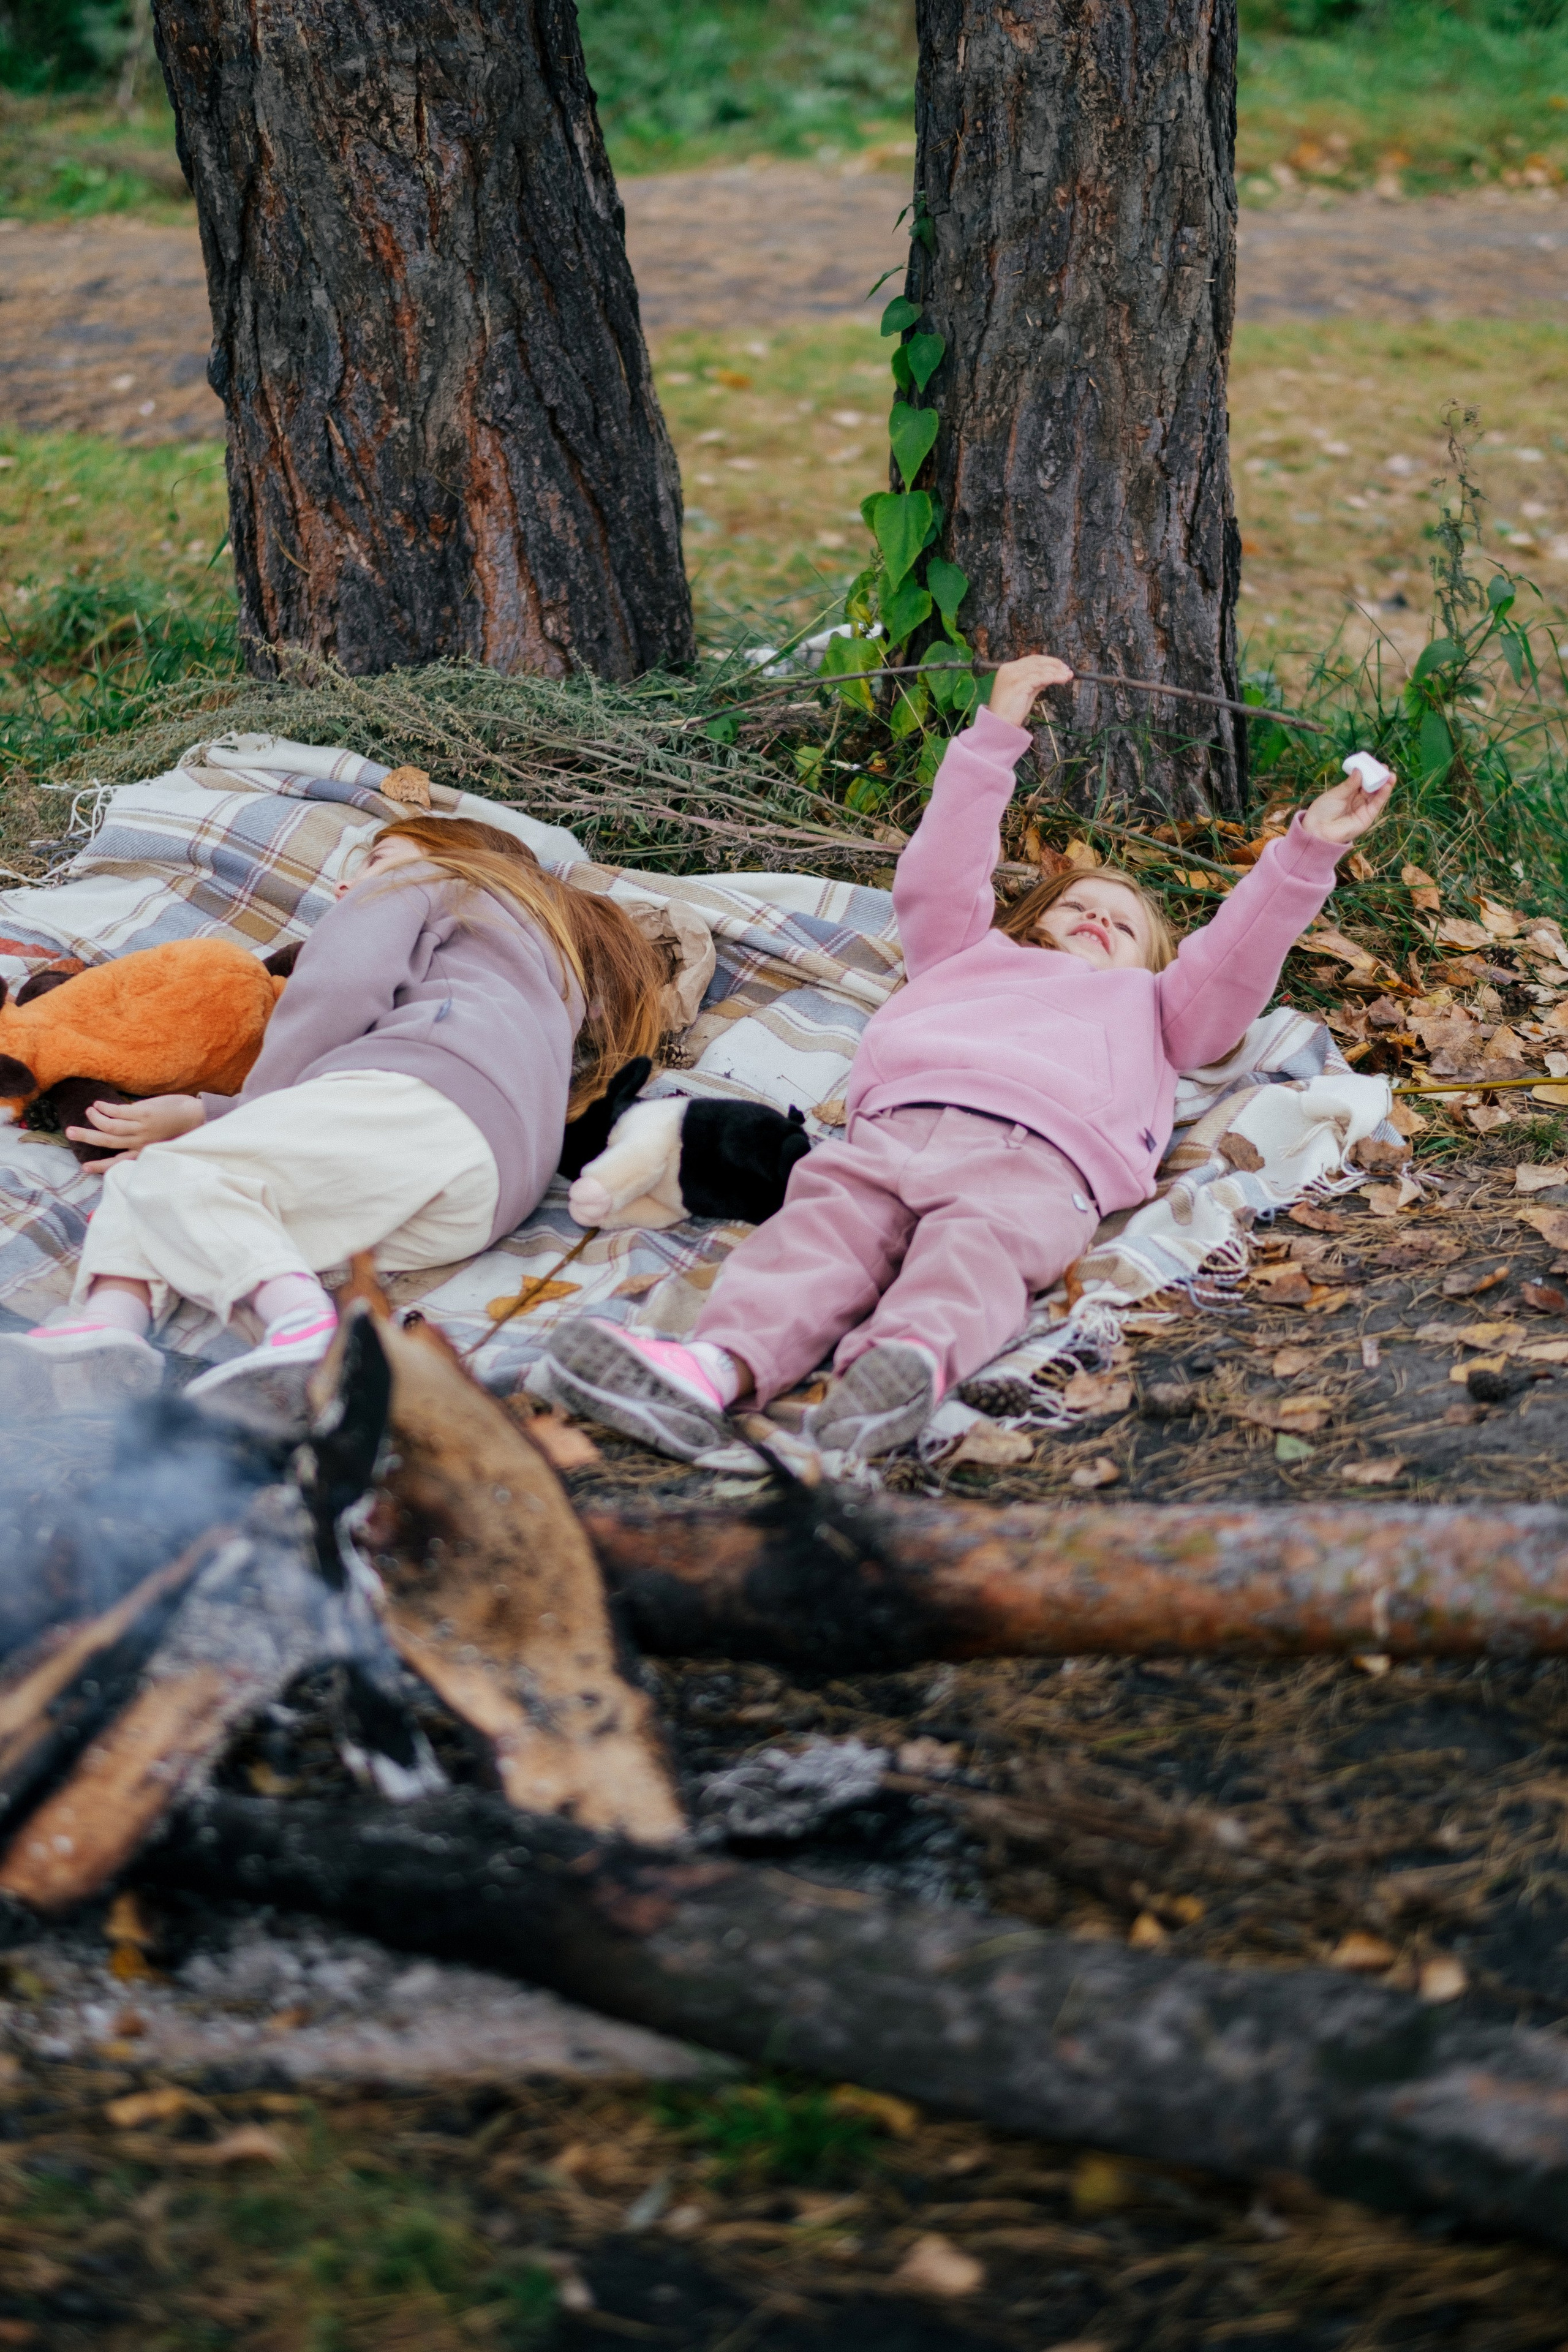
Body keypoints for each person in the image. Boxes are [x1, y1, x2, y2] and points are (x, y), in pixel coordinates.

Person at [543, 653, 1394, 1461]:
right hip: (895, 1133)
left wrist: (1307, 851)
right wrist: (996, 733)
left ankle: (899, 1371)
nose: (1100, 918)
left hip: (1040, 1159)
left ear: (1156, 964)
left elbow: (1237, 953)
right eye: (1078, 907)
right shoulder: (964, 953)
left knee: (976, 1257)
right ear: (1030, 922)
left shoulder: (1166, 1009)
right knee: (818, 1238)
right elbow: (945, 869)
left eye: (1126, 925)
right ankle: (712, 1368)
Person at [0, 815, 664, 1419]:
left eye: (377, 859)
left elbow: (339, 986)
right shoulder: (550, 974)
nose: (350, 883)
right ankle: (112, 1324)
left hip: (424, 1095)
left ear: (452, 854)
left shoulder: (438, 878)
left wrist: (231, 1115)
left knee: (176, 1169)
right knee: (187, 1196)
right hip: (486, 1196)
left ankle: (303, 1328)